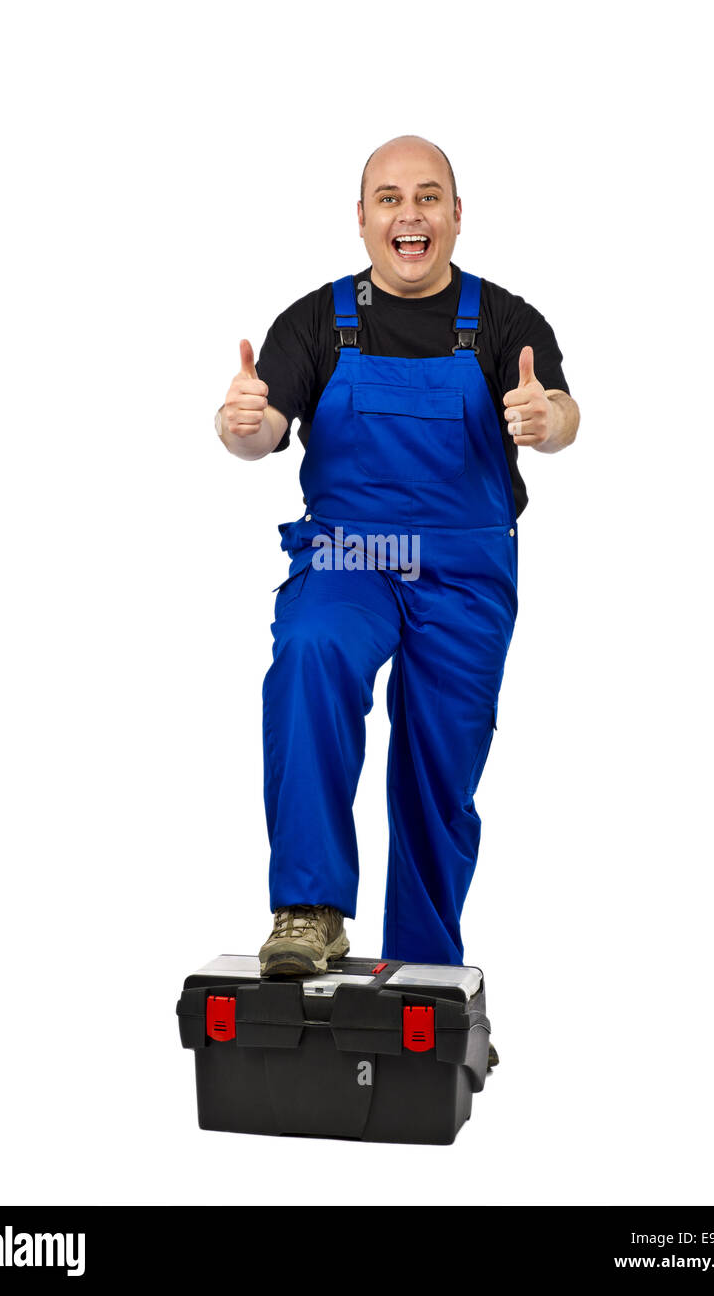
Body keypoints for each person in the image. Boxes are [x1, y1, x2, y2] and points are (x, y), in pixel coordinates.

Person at [215, 135, 580, 986]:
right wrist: (241, 426)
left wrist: (545, 419)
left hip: (465, 568)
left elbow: (559, 410)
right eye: (388, 198)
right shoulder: (314, 321)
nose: (407, 215)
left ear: (456, 216)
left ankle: (422, 977)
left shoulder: (503, 321)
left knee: (436, 770)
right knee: (313, 650)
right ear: (361, 218)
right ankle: (308, 909)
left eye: (426, 197)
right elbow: (261, 428)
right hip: (351, 553)